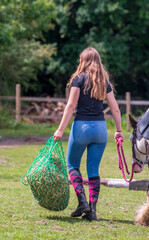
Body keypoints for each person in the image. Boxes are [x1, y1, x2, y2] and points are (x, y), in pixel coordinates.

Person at [53, 47, 123, 221]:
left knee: (72, 165)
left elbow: (70, 106)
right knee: (93, 169)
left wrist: (60, 129)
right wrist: (119, 130)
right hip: (100, 130)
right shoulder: (104, 82)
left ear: (83, 61)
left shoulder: (78, 79)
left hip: (81, 128)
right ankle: (92, 210)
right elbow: (115, 108)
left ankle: (82, 201)